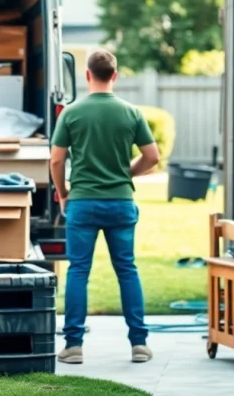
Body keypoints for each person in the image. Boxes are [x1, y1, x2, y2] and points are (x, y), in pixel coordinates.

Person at [49, 49, 161, 365]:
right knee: (126, 269)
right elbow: (152, 156)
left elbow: (56, 160)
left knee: (78, 271)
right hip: (120, 203)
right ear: (115, 75)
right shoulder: (131, 112)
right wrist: (127, 173)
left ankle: (73, 346)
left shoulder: (71, 113)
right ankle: (139, 345)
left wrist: (63, 193)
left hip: (82, 203)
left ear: (87, 75)